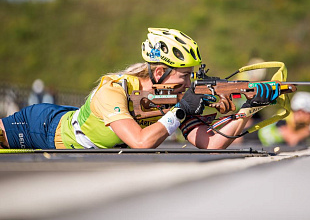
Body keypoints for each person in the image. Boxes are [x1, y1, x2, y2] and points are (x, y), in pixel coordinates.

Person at [0, 28, 280, 150]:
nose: (188, 84)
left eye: (191, 76)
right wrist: (181, 111)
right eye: (184, 76)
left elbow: (213, 143)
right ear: (159, 71)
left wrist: (248, 109)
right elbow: (141, 142)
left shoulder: (175, 97)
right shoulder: (112, 89)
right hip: (41, 127)